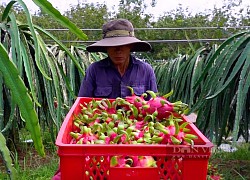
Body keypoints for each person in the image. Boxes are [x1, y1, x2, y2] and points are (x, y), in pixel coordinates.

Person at [52, 18, 158, 180]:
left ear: (130, 46)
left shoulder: (145, 70)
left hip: (140, 137)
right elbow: (83, 107)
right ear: (106, 48)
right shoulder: (94, 70)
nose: (118, 51)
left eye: (122, 46)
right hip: (99, 137)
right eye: (113, 47)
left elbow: (153, 108)